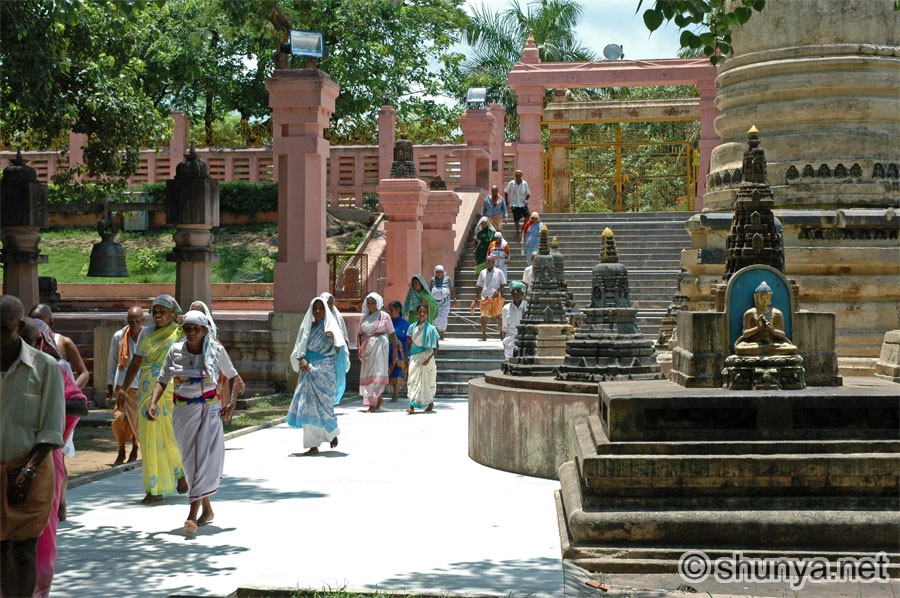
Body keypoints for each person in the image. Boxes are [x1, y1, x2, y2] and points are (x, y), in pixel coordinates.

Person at [147, 310, 241, 535]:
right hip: (182, 412)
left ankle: (191, 516)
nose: (190, 333)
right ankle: (206, 509)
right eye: (186, 328)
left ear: (205, 331)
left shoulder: (215, 350)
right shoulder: (175, 351)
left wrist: (231, 404)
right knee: (190, 462)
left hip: (208, 411)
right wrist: (153, 403)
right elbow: (162, 379)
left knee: (200, 459)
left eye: (195, 329)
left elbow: (235, 377)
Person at [0, 295, 65, 598]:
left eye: (3, 329)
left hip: (32, 471)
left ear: (20, 326)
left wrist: (26, 472)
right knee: (2, 555)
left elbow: (51, 428)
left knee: (24, 552)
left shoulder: (45, 367)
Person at [22, 318, 88, 598]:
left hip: (43, 460)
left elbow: (79, 405)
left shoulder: (53, 369)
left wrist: (49, 407)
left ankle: (38, 589)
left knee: (41, 534)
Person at [116, 294, 187, 504]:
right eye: (154, 312)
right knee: (149, 439)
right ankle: (155, 488)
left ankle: (181, 473)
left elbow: (206, 333)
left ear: (173, 314)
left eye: (162, 312)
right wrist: (123, 389)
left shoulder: (180, 332)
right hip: (147, 390)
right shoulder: (146, 333)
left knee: (170, 434)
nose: (157, 316)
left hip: (169, 388)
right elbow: (136, 362)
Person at [26, 303, 87, 522]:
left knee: (57, 457)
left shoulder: (60, 351)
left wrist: (58, 398)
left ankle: (60, 505)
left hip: (59, 418)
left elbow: (83, 375)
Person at [288, 297, 343, 454]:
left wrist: (333, 340)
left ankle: (331, 433)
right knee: (308, 407)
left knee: (325, 407)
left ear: (326, 311)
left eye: (321, 308)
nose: (318, 311)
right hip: (309, 372)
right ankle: (313, 445)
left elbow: (340, 351)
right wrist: (302, 360)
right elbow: (299, 349)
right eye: (315, 308)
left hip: (326, 373)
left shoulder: (331, 329)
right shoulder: (307, 328)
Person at [188, 300, 245, 423]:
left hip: (213, 389)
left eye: (198, 311)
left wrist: (238, 379)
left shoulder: (213, 343)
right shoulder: (181, 343)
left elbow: (227, 365)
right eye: (193, 310)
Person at [108, 306, 144, 465]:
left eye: (137, 321)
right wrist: (110, 383)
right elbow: (112, 360)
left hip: (140, 386)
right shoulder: (119, 336)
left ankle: (135, 448)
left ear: (143, 321)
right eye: (131, 321)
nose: (134, 324)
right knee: (119, 420)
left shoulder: (148, 336)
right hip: (122, 386)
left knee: (136, 422)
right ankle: (121, 449)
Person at [27, 304, 89, 389]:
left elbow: (84, 374)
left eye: (41, 323)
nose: (38, 327)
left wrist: (70, 392)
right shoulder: (26, 343)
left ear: (51, 323)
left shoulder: (64, 343)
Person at [358, 293, 398, 413]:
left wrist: (395, 351)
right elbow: (359, 333)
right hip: (367, 349)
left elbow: (392, 334)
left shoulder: (384, 316)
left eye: (373, 303)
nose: (371, 306)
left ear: (378, 303)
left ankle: (372, 404)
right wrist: (359, 347)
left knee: (376, 374)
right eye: (369, 303)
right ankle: (378, 398)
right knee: (368, 375)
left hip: (380, 348)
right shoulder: (364, 317)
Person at [734, 281, 798, 355]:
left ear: (770, 297)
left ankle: (765, 350)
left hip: (772, 343)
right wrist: (758, 328)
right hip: (754, 344)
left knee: (792, 349)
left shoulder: (777, 313)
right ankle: (766, 350)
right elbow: (745, 334)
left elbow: (783, 335)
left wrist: (773, 330)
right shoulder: (750, 313)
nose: (764, 300)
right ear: (756, 297)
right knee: (739, 349)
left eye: (767, 297)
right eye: (761, 297)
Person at [406, 304, 440, 414]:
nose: (421, 314)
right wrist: (406, 357)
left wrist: (428, 358)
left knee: (427, 380)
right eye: (420, 312)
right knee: (413, 379)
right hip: (415, 357)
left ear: (427, 314)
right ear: (417, 313)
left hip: (427, 358)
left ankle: (429, 402)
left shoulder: (432, 329)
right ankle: (412, 404)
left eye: (424, 312)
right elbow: (409, 343)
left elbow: (436, 347)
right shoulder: (412, 327)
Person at [319, 292, 350, 405]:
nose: (330, 305)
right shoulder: (318, 317)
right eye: (328, 302)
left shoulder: (337, 316)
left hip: (338, 351)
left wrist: (345, 346)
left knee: (337, 375)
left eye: (332, 302)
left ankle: (333, 398)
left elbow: (343, 333)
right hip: (322, 352)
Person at [470, 256, 507, 342]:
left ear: (493, 262)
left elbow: (504, 284)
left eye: (489, 261)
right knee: (483, 317)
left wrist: (498, 290)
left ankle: (501, 333)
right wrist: (476, 299)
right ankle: (483, 335)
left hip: (495, 297)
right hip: (485, 297)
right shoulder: (482, 272)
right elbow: (479, 286)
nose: (487, 263)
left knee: (498, 317)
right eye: (486, 261)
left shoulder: (499, 272)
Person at [387, 301, 410, 402]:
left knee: (397, 371)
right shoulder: (387, 322)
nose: (390, 312)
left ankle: (395, 395)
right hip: (386, 351)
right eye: (389, 310)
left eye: (391, 310)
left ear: (398, 310)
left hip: (399, 352)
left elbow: (407, 339)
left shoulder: (404, 324)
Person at [502, 281, 528, 360]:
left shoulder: (527, 307)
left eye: (518, 290)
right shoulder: (506, 308)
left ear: (522, 293)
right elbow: (504, 328)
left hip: (525, 341)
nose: (515, 292)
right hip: (510, 342)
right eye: (513, 291)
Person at [429, 265, 456, 340]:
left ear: (443, 272)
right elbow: (429, 290)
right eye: (437, 272)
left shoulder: (447, 279)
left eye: (440, 272)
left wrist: (454, 298)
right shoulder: (432, 280)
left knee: (443, 317)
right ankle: (437, 335)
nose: (439, 274)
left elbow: (451, 289)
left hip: (445, 302)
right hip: (435, 302)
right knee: (436, 317)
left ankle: (442, 334)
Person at [504, 169, 531, 241]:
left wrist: (526, 199)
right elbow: (506, 191)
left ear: (521, 176)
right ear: (515, 176)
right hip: (514, 204)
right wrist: (507, 201)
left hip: (522, 203)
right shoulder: (511, 183)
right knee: (516, 219)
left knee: (528, 215)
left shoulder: (525, 184)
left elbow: (528, 193)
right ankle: (517, 231)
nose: (517, 177)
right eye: (516, 176)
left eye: (519, 176)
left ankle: (523, 229)